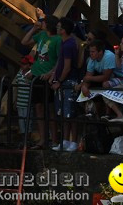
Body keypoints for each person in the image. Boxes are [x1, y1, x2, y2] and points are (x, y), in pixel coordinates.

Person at [20, 12, 60, 148]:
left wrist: (51, 72)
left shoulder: (58, 40)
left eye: (43, 22)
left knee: (50, 108)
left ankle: (54, 139)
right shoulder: (42, 35)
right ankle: (43, 138)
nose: (41, 23)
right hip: (37, 75)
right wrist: (33, 29)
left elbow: (60, 59)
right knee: (38, 107)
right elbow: (24, 42)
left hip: (47, 77)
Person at [50, 18, 81, 152]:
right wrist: (53, 75)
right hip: (62, 81)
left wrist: (59, 81)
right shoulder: (64, 43)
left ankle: (73, 141)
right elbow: (60, 62)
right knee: (63, 113)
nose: (56, 29)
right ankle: (65, 140)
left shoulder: (69, 45)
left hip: (69, 81)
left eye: (58, 27)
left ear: (63, 30)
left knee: (71, 113)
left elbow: (67, 67)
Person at [13, 54, 34, 136]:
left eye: (24, 64)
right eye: (21, 63)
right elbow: (17, 88)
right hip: (20, 102)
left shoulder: (31, 75)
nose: (22, 65)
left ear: (29, 65)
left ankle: (28, 136)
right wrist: (15, 100)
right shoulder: (19, 73)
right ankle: (23, 136)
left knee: (28, 120)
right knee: (21, 120)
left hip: (27, 102)